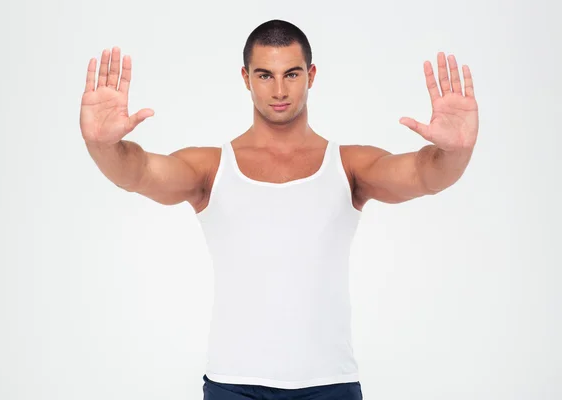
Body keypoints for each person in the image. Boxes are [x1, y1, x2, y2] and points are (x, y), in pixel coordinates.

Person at [80, 19, 479, 400]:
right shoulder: (210, 168)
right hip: (233, 386)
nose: (279, 90)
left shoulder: (350, 165)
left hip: (330, 387)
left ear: (311, 75)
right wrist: (103, 146)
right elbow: (137, 172)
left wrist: (456, 151)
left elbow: (427, 175)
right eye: (265, 75)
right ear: (245, 78)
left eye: (291, 74)